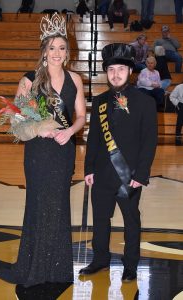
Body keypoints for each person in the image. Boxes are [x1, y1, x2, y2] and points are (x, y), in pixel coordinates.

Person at [0, 13, 86, 287]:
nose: (57, 53)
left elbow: (80, 116)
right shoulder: (30, 80)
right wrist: (42, 129)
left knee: (58, 207)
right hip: (38, 153)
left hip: (63, 152)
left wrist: (70, 131)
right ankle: (33, 268)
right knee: (37, 205)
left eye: (62, 48)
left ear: (67, 51)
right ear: (44, 50)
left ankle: (57, 270)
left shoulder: (75, 79)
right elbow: (16, 119)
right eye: (52, 47)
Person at [79, 43, 157, 282]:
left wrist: (141, 174)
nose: (115, 74)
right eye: (111, 69)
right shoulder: (101, 101)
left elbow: (149, 141)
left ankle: (131, 264)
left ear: (130, 71)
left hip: (129, 175)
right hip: (102, 174)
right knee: (100, 219)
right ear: (106, 72)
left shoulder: (145, 102)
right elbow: (93, 138)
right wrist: (89, 168)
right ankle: (100, 258)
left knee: (131, 222)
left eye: (121, 69)